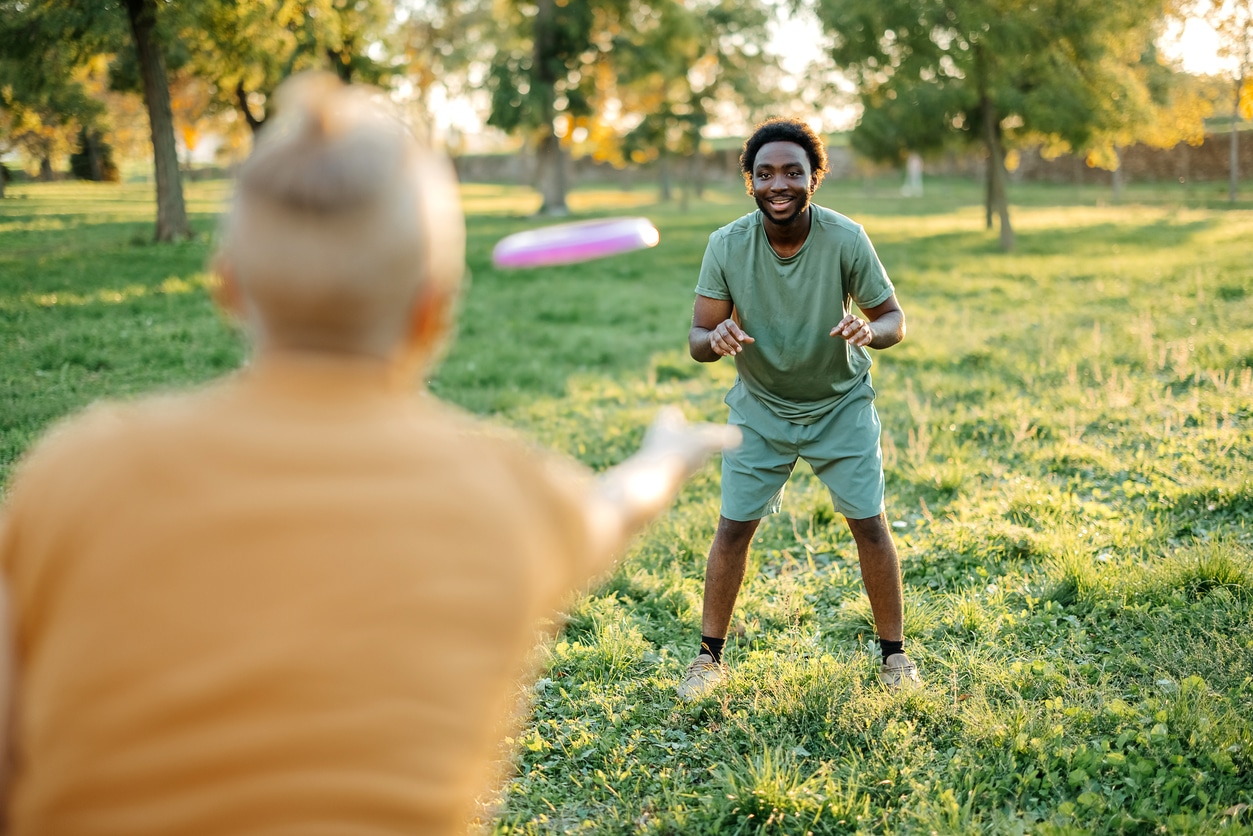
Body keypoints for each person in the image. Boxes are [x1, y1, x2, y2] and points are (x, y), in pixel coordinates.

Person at [0, 72, 737, 835]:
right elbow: (612, 507)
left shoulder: (76, 469)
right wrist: (667, 454)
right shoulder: (506, 492)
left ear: (228, 288)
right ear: (433, 311)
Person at [677, 116, 919, 702]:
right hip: (760, 408)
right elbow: (697, 339)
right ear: (749, 182)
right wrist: (718, 340)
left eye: (792, 171)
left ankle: (895, 657)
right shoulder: (727, 245)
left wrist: (870, 330)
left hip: (840, 406)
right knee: (733, 529)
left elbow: (893, 320)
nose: (778, 183)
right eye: (764, 173)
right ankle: (709, 660)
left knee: (869, 523)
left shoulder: (845, 238)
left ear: (815, 178)